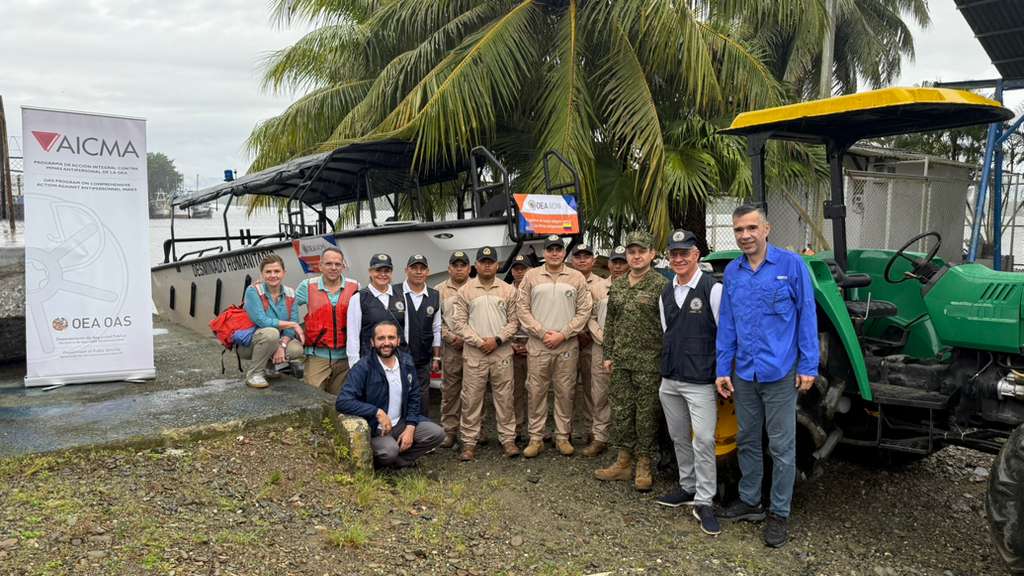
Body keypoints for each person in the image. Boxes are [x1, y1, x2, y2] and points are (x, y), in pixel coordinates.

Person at [715, 204, 818, 548]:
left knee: (782, 445)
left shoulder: (792, 266)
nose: (745, 235)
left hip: (778, 372)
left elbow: (807, 316)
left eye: (751, 228)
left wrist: (808, 364)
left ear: (766, 229)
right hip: (744, 372)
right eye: (739, 230)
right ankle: (750, 500)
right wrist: (722, 368)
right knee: (747, 439)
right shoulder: (732, 271)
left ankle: (779, 513)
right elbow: (728, 323)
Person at [657, 229, 723, 536]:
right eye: (674, 253)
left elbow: (725, 335)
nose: (679, 258)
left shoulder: (712, 288)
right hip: (670, 378)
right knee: (679, 437)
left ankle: (705, 499)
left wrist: (723, 373)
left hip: (699, 379)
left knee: (705, 439)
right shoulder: (666, 292)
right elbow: (667, 332)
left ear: (696, 255)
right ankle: (687, 486)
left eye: (685, 253)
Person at [595, 231, 668, 491]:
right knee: (622, 412)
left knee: (646, 414)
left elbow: (667, 326)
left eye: (641, 252)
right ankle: (623, 462)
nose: (636, 256)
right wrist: (608, 355)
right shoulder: (619, 284)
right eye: (632, 252)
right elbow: (611, 322)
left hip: (650, 362)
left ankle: (644, 464)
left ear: (652, 254)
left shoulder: (661, 285)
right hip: (621, 362)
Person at [517, 235, 593, 458]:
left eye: (558, 249)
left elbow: (584, 311)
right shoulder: (531, 276)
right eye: (550, 249)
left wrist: (563, 334)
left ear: (563, 252)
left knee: (565, 392)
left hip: (566, 345)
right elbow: (522, 309)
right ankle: (536, 438)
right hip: (538, 345)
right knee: (536, 392)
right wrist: (541, 333)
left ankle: (562, 437)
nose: (554, 253)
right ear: (544, 252)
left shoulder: (576, 277)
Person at [336, 320, 445, 469]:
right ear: (372, 342)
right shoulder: (363, 367)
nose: (386, 343)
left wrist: (410, 426)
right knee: (389, 451)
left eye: (391, 338)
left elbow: (414, 396)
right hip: (376, 429)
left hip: (400, 422)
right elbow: (343, 401)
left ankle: (399, 462)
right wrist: (377, 412)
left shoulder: (406, 362)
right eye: (381, 338)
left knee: (436, 433)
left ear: (398, 340)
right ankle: (383, 461)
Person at [452, 246, 521, 460]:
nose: (487, 265)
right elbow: (458, 322)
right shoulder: (465, 291)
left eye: (491, 261)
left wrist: (497, 339)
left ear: (498, 265)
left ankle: (508, 440)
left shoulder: (508, 290)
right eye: (483, 261)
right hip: (475, 353)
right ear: (476, 265)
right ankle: (469, 443)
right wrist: (479, 341)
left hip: (501, 353)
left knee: (505, 399)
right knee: (471, 399)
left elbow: (515, 321)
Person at [294, 247, 360, 395]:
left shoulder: (355, 286)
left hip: (345, 358)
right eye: (329, 264)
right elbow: (287, 308)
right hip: (318, 356)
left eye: (338, 264)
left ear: (343, 266)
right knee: (313, 399)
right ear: (320, 266)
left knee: (342, 401)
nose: (333, 268)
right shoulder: (307, 286)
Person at [237, 254, 306, 389]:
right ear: (262, 274)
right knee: (271, 333)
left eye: (277, 271)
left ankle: (270, 366)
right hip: (249, 344)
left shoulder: (291, 293)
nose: (273, 275)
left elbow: (291, 327)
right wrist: (292, 324)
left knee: (296, 349)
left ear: (284, 273)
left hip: (275, 341)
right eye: (268, 272)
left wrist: (282, 346)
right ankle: (255, 374)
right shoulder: (253, 291)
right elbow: (262, 321)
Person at [570, 243, 611, 457]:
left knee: (591, 390)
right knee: (566, 389)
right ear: (572, 260)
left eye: (586, 256)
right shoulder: (565, 279)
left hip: (590, 342)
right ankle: (565, 432)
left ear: (593, 261)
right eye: (578, 256)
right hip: (566, 340)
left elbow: (593, 315)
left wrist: (590, 334)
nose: (582, 260)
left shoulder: (600, 284)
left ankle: (592, 431)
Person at [397, 254, 442, 417]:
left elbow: (437, 329)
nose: (418, 272)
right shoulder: (395, 292)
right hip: (398, 357)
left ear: (427, 272)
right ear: (406, 270)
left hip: (423, 358)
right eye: (414, 268)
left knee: (422, 397)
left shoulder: (435, 296)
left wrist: (436, 358)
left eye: (422, 268)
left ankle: (422, 433)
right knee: (399, 396)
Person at [435, 251, 471, 448]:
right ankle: (450, 431)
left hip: (474, 348)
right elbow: (435, 321)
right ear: (449, 268)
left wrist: (468, 338)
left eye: (462, 265)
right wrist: (451, 337)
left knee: (475, 391)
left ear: (469, 268)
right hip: (451, 348)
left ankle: (475, 429)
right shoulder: (439, 290)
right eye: (455, 265)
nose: (459, 268)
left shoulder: (476, 288)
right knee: (450, 391)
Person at [346, 253, 405, 363]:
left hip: (397, 360)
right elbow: (352, 336)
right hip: (370, 361)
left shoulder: (402, 296)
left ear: (391, 273)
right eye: (378, 270)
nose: (383, 274)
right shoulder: (358, 298)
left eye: (387, 271)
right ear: (370, 272)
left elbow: (405, 331)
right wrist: (354, 365)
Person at [508, 254, 531, 440]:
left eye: (523, 268)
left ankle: (536, 429)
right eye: (516, 268)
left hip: (535, 346)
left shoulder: (536, 290)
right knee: (515, 391)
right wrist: (511, 344)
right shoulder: (506, 291)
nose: (519, 271)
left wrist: (531, 344)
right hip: (512, 347)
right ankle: (516, 428)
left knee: (536, 391)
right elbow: (502, 322)